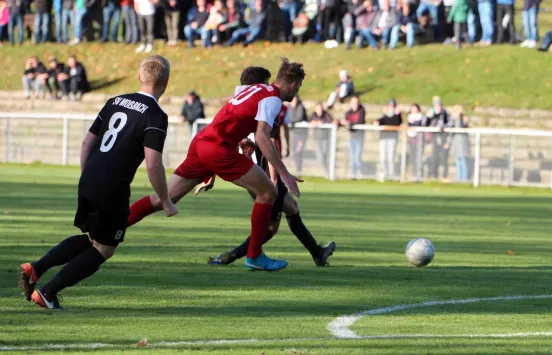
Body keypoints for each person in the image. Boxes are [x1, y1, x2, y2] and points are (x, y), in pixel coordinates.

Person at [18, 56, 177, 309]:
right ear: (166, 82)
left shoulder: (115, 101)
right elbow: (153, 163)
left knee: (94, 239)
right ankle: (47, 293)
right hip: (112, 187)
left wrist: (88, 175)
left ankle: (36, 268)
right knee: (105, 249)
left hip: (90, 176)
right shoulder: (156, 115)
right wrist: (166, 201)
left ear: (139, 76)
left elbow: (87, 143)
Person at [127, 58, 305, 272]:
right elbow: (263, 138)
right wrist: (284, 173)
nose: (296, 94)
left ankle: (111, 228)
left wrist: (238, 143)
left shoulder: (257, 88)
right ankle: (254, 256)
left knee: (164, 198)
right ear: (294, 85)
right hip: (218, 148)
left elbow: (233, 116)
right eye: (299, 88)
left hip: (202, 142)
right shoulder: (273, 99)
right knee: (268, 192)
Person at [207, 69, 335, 267]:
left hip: (254, 170)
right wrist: (274, 180)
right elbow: (271, 141)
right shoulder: (268, 103)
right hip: (265, 173)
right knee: (270, 228)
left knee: (292, 208)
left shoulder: (242, 103)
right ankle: (231, 256)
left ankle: (318, 253)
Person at [374, 99, 402, 182]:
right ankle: (383, 173)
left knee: (390, 157)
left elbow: (397, 122)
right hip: (384, 138)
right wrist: (376, 121)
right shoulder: (385, 115)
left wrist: (398, 114)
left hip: (392, 139)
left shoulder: (397, 116)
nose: (391, 107)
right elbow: (381, 121)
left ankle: (391, 174)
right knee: (382, 157)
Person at [341, 95, 365, 179]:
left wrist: (349, 123)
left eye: (356, 102)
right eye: (353, 102)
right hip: (352, 137)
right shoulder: (349, 112)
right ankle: (353, 174)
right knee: (352, 157)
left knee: (357, 157)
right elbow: (344, 120)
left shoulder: (362, 111)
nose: (354, 104)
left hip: (359, 137)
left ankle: (360, 173)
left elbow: (359, 122)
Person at [426, 96, 450, 180]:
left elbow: (449, 124)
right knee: (434, 156)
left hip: (443, 137)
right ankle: (434, 175)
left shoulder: (445, 113)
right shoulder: (431, 113)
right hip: (434, 137)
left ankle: (445, 176)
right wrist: (429, 116)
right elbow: (426, 124)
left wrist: (443, 126)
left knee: (444, 157)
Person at [445, 105, 470, 182]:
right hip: (456, 143)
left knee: (463, 161)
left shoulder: (462, 119)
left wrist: (458, 117)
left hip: (462, 143)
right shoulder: (453, 120)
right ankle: (459, 178)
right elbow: (451, 132)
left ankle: (464, 179)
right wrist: (448, 142)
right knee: (458, 161)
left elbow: (458, 127)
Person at [310, 103, 333, 175]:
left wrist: (321, 122)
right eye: (318, 109)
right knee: (320, 156)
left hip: (325, 139)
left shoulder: (326, 115)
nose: (319, 111)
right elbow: (309, 121)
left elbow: (331, 121)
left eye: (320, 109)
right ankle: (326, 170)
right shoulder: (313, 115)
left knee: (325, 155)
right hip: (317, 139)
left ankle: (328, 171)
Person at [407, 103, 427, 179]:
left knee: (419, 157)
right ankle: (413, 173)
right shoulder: (409, 117)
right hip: (412, 139)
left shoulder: (422, 117)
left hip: (419, 139)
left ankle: (419, 174)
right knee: (413, 157)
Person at [289, 95, 308, 176]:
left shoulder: (301, 107)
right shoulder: (290, 108)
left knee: (298, 151)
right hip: (294, 134)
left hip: (301, 134)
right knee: (294, 151)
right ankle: (297, 169)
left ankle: (299, 169)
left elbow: (299, 118)